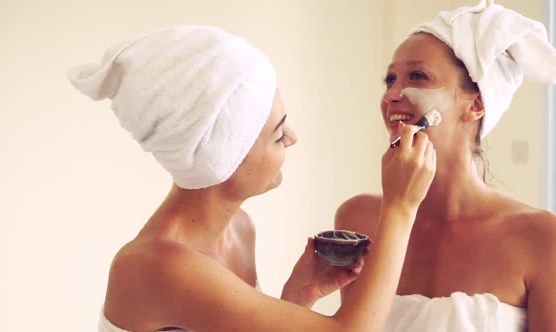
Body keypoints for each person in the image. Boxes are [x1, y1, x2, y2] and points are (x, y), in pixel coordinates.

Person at [67, 25, 436, 331]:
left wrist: (298, 298)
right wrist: (401, 206)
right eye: (278, 134)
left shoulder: (239, 229)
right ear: (222, 155)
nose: (292, 138)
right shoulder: (156, 265)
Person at [336, 0, 556, 331]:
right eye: (390, 79)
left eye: (418, 76)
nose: (392, 95)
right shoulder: (358, 219)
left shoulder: (541, 238)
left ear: (476, 104)